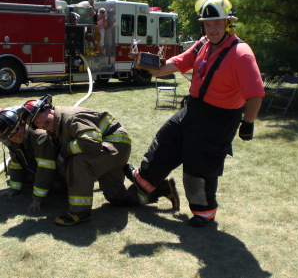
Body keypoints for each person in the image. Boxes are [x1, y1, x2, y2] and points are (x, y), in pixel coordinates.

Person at [125, 0, 265, 227]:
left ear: (229, 24)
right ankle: (147, 185)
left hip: (219, 119)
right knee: (165, 141)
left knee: (199, 167)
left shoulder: (241, 53)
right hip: (194, 109)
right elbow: (177, 63)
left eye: (217, 23)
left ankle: (204, 213)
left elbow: (256, 93)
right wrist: (145, 66)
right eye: (207, 24)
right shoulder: (203, 44)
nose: (211, 29)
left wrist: (248, 122)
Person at [16, 95, 180, 226]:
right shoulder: (54, 125)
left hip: (115, 144)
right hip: (109, 148)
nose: (40, 123)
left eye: (40, 117)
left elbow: (90, 142)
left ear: (48, 109)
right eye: (35, 124)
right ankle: (162, 189)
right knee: (115, 197)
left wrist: (66, 151)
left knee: (78, 162)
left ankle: (79, 213)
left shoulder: (69, 118)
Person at [0, 109, 64, 212]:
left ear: (22, 124)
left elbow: (46, 169)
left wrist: (37, 199)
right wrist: (13, 188)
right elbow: (16, 163)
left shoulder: (40, 137)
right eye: (8, 135)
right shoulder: (13, 138)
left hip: (61, 174)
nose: (13, 137)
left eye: (14, 131)